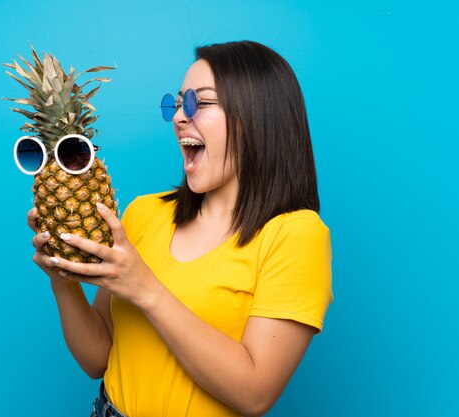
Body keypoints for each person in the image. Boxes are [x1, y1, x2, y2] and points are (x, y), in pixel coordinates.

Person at [28, 40, 333, 417]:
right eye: (177, 103)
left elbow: (255, 394)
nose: (178, 117)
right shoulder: (144, 213)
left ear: (258, 116)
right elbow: (97, 358)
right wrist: (62, 277)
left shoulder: (295, 235)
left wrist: (145, 288)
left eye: (198, 103)